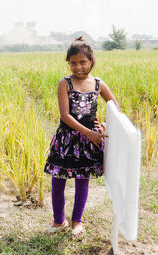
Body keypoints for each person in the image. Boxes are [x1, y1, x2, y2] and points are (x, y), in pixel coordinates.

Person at [43, 36, 119, 237]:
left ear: (92, 61)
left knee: (82, 180)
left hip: (89, 141)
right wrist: (88, 132)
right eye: (73, 63)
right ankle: (59, 221)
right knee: (58, 180)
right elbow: (65, 116)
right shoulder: (65, 83)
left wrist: (103, 124)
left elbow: (115, 106)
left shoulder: (98, 84)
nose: (78, 67)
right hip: (67, 140)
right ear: (68, 63)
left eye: (83, 62)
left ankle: (77, 221)